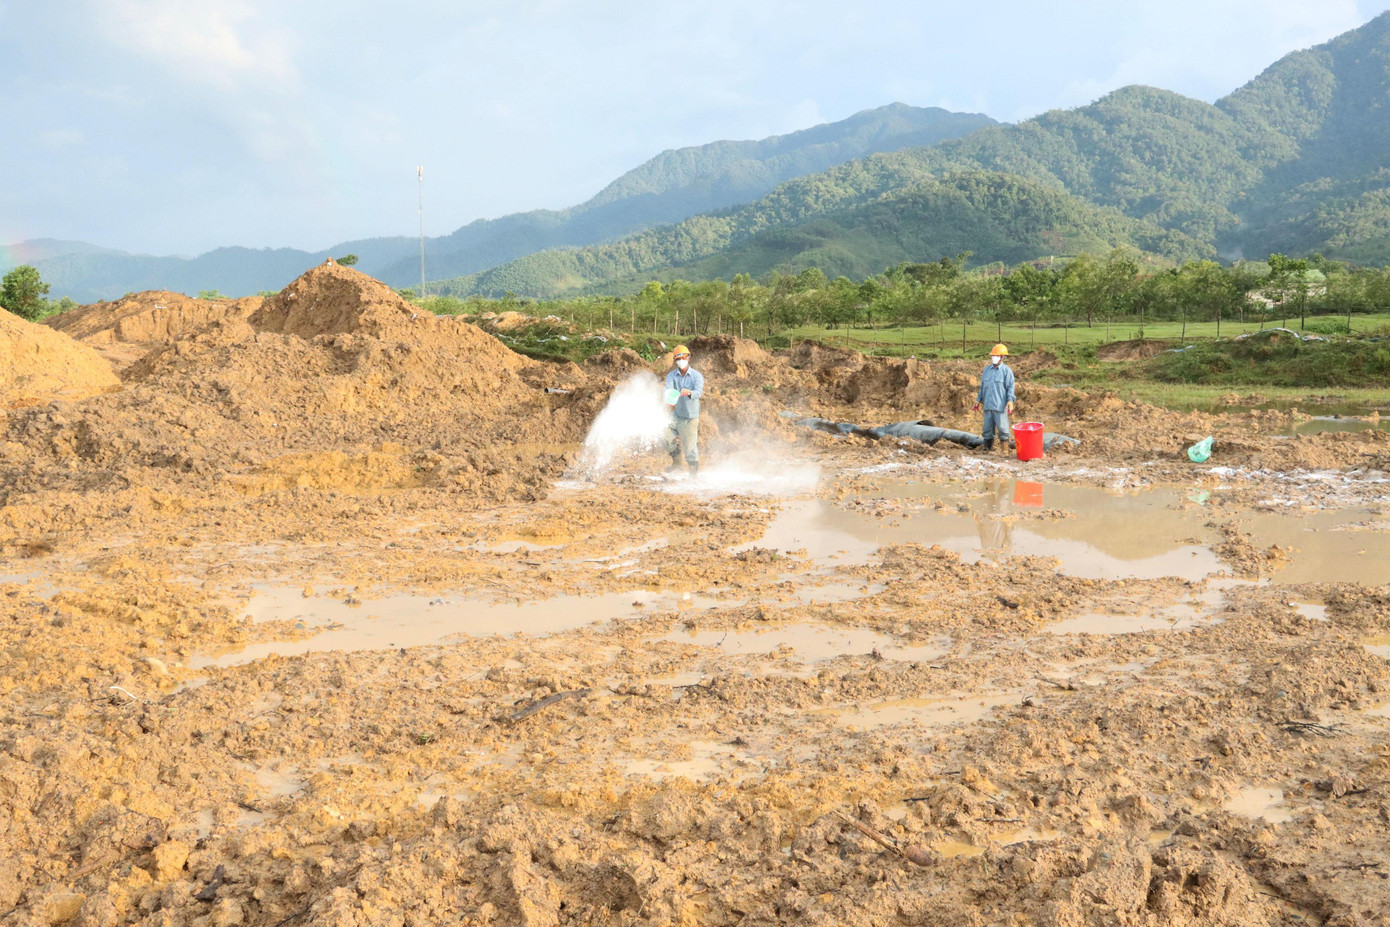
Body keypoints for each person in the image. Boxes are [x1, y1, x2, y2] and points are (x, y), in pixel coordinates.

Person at [663, 344, 704, 476]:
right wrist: (669, 396)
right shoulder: (671, 376)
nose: (681, 361)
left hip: (690, 418)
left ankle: (693, 475)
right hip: (676, 415)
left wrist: (689, 392)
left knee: (690, 449)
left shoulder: (697, 376)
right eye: (678, 359)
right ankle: (676, 462)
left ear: (688, 357)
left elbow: (698, 392)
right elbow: (668, 390)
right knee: (663, 436)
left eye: (683, 358)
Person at [973, 343, 1016, 453]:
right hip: (988, 405)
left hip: (1000, 407)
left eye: (996, 356)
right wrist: (978, 400)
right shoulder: (987, 370)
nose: (994, 358)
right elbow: (982, 387)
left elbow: (1010, 387)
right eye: (993, 356)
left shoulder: (1006, 371)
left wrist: (1010, 401)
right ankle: (987, 448)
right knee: (987, 429)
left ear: (1002, 357)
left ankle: (1004, 450)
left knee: (1003, 429)